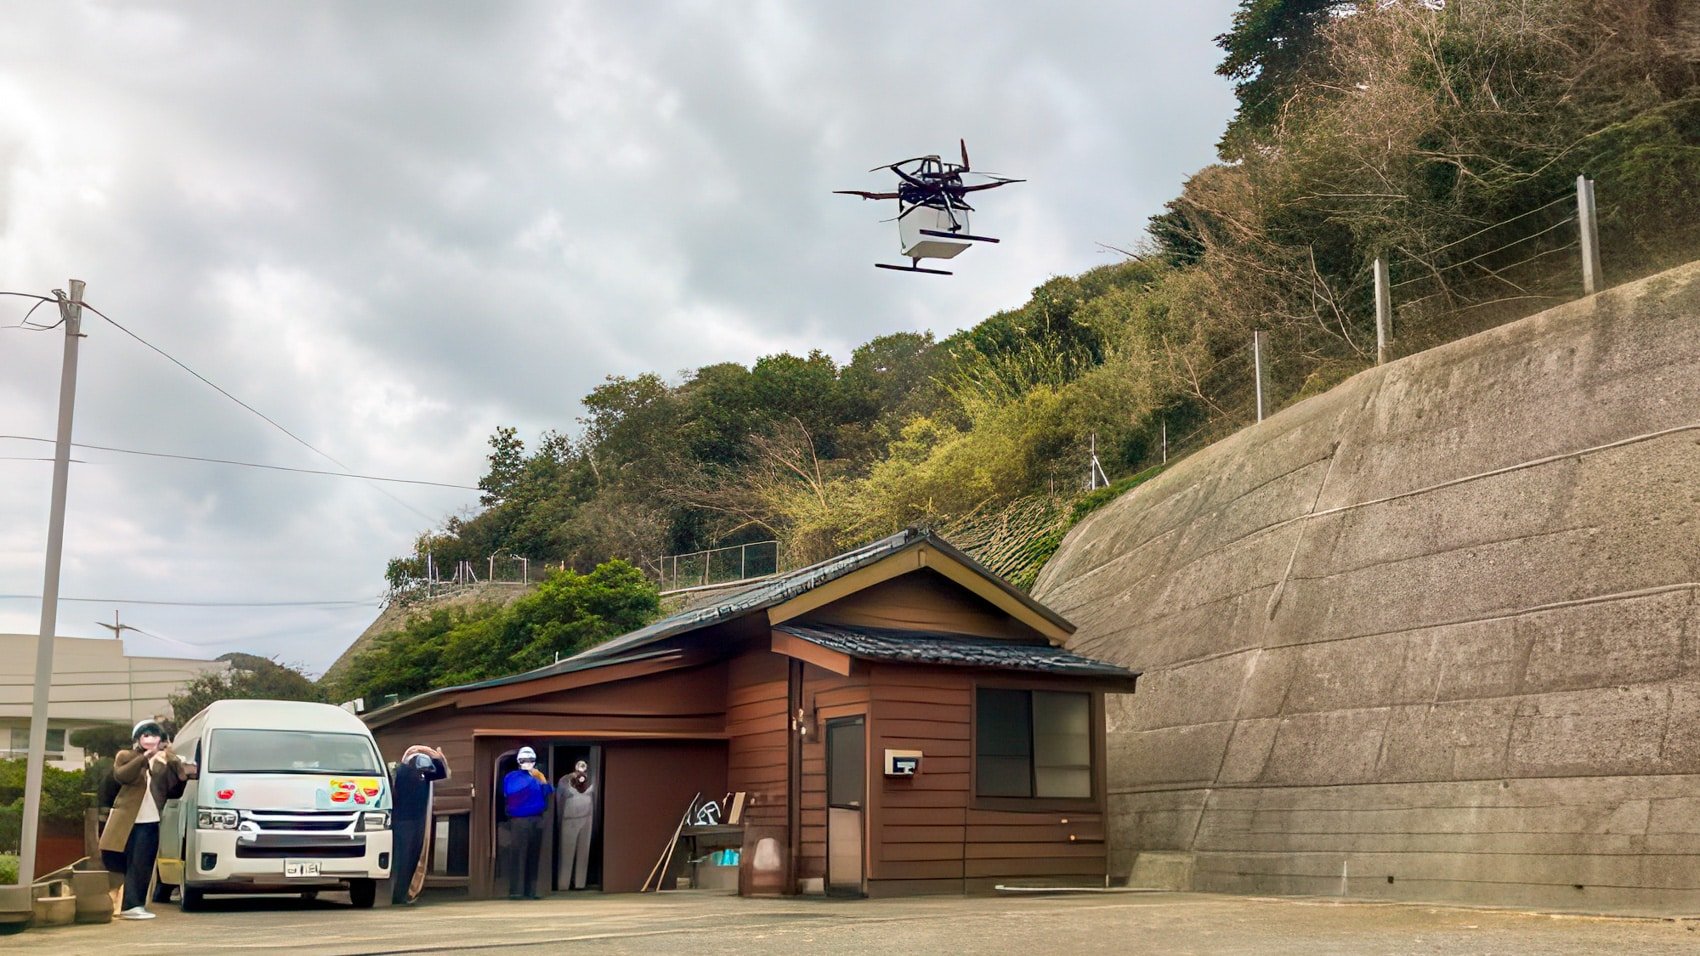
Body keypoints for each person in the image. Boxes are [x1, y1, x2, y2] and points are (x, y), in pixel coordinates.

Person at [100, 719, 192, 920]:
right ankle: (126, 905)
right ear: (137, 738)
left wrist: (177, 766)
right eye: (146, 735)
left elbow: (173, 790)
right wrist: (144, 758)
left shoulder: (163, 761)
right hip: (126, 819)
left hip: (151, 819)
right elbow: (122, 776)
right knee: (120, 862)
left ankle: (134, 905)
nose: (150, 739)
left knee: (143, 863)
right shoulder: (125, 756)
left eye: (155, 735)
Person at [391, 745, 448, 905]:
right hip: (403, 822)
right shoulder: (403, 774)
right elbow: (404, 764)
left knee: (412, 859)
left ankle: (403, 894)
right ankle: (397, 895)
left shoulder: (422, 775)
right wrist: (423, 752)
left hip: (417, 821)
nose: (423, 772)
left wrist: (436, 756)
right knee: (403, 860)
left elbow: (441, 773)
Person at [501, 745, 550, 899]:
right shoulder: (512, 776)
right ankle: (516, 891)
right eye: (524, 759)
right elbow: (510, 791)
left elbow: (548, 792)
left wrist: (542, 779)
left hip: (537, 818)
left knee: (533, 856)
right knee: (518, 855)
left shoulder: (537, 776)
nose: (528, 762)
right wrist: (531, 779)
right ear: (519, 761)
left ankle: (531, 891)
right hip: (519, 820)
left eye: (531, 759)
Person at [555, 760, 595, 890]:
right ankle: (563, 885)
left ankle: (580, 884)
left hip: (587, 818)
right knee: (567, 854)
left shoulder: (592, 780)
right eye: (579, 766)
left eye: (584, 766)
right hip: (569, 820)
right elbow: (559, 799)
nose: (581, 770)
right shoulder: (565, 780)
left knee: (584, 853)